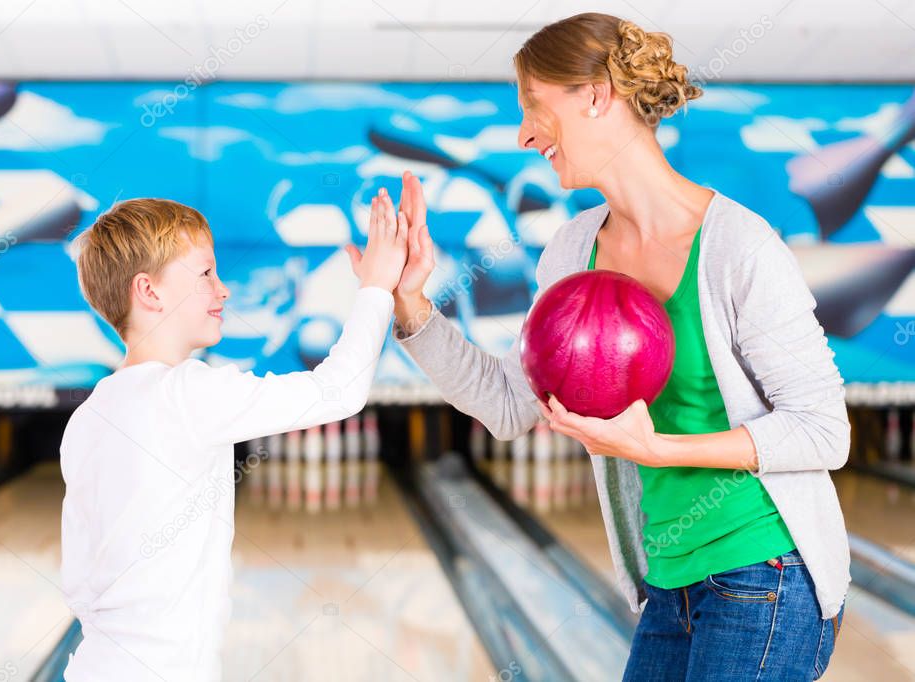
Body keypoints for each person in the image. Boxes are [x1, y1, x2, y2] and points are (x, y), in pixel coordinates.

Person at [391, 12, 849, 681]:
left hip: (767, 572)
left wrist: (655, 449)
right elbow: (511, 404)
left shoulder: (737, 248)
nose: (522, 135)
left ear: (597, 95)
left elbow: (821, 432)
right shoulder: (571, 250)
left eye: (533, 108)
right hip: (668, 585)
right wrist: (410, 303)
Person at [60, 190, 407, 680]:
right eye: (206, 274)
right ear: (149, 292)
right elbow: (340, 391)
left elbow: (77, 582)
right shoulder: (187, 393)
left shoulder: (88, 416)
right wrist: (376, 287)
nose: (224, 290)